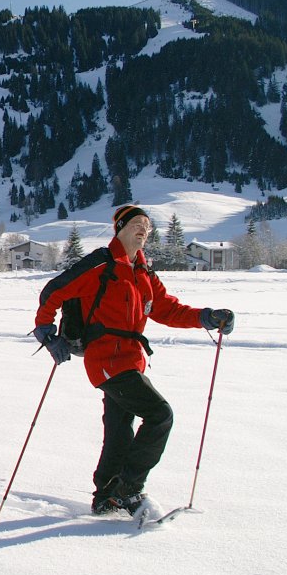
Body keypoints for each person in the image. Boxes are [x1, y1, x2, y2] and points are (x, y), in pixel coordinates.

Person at [33, 204, 237, 517]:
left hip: (130, 360)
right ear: (121, 228)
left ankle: (105, 496)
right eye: (137, 224)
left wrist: (205, 317)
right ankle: (127, 490)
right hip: (105, 360)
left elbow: (167, 309)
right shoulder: (101, 264)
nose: (144, 229)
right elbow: (53, 291)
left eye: (148, 226)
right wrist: (47, 332)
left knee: (118, 429)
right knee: (160, 415)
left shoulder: (142, 272)